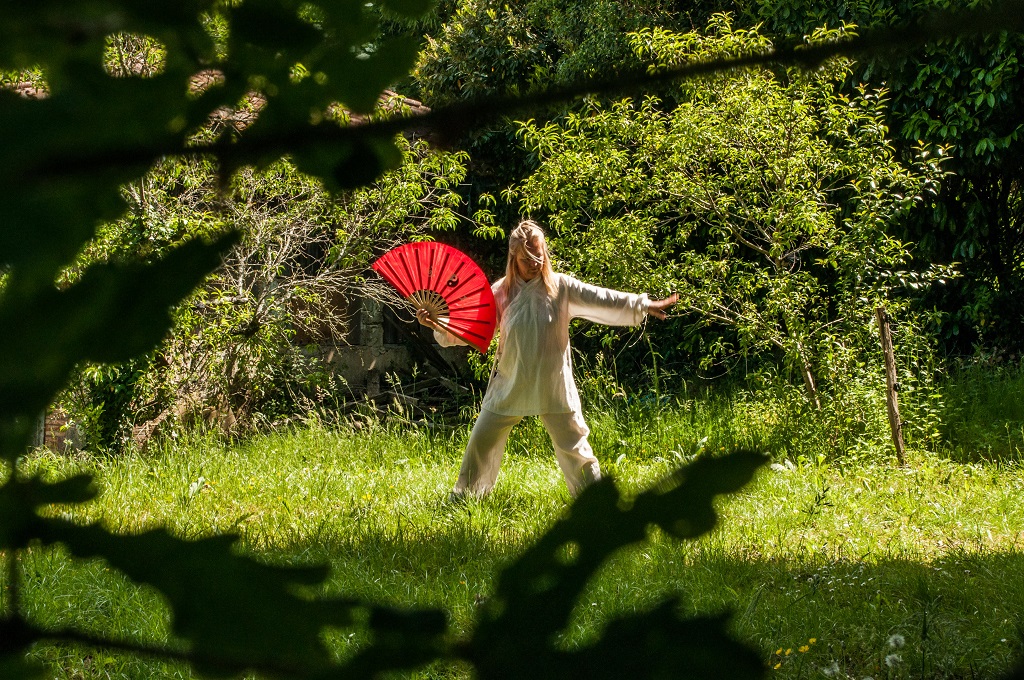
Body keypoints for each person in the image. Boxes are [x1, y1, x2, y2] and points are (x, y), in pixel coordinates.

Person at [417, 220, 678, 499]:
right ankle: (466, 497)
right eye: (527, 258)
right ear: (513, 258)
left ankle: (595, 502)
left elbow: (602, 298)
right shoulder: (501, 292)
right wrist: (439, 323)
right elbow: (474, 327)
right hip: (512, 380)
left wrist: (643, 304)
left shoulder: (560, 287)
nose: (534, 263)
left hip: (553, 383)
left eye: (539, 256)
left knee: (575, 448)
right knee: (481, 441)